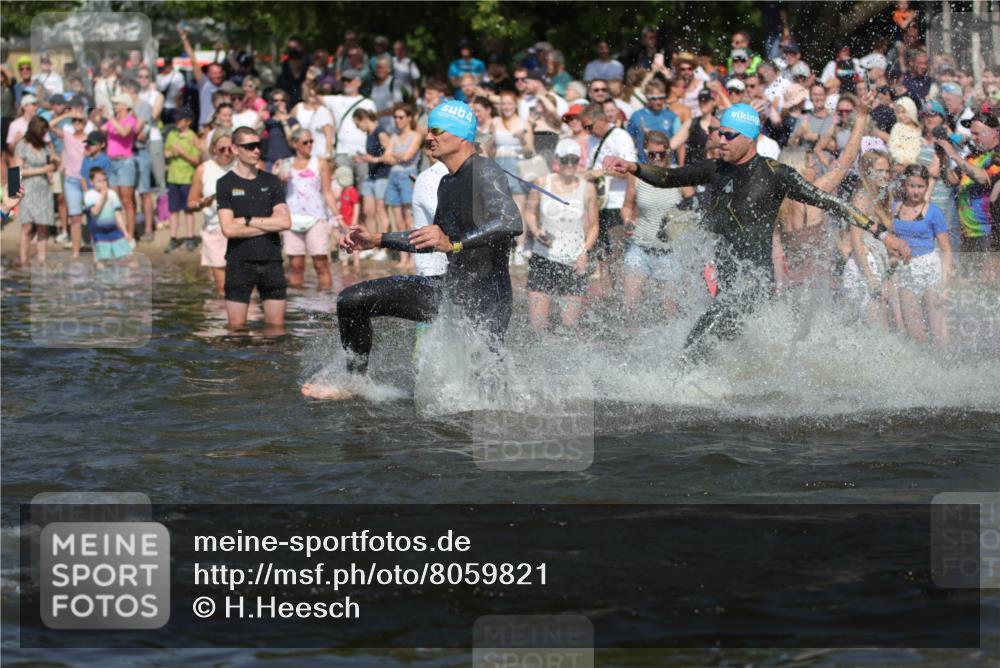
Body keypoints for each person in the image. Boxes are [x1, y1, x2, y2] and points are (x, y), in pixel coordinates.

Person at [603, 103, 911, 364]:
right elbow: (668, 177)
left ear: (749, 138)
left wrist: (885, 235)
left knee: (696, 346)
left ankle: (683, 389)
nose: (720, 140)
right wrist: (631, 166)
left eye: (728, 135)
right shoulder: (714, 169)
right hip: (727, 284)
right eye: (718, 133)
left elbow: (832, 202)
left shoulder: (775, 174)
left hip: (753, 283)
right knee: (717, 345)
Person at [302, 101, 522, 399]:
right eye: (428, 131)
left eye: (436, 131)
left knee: (486, 393)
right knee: (352, 300)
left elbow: (510, 221)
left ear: (460, 137)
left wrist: (454, 243)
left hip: (487, 298)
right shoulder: (446, 182)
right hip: (450, 290)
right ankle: (356, 382)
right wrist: (378, 239)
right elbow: (429, 238)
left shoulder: (485, 171)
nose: (428, 137)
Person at [216, 126, 292, 332]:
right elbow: (229, 229)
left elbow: (285, 222)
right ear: (235, 149)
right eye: (250, 146)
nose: (256, 151)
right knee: (236, 330)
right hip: (239, 263)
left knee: (276, 331)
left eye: (259, 146)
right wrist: (268, 223)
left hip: (272, 261)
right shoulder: (225, 183)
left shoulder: (271, 181)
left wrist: (247, 220)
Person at [621, 131, 699, 318]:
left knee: (668, 311)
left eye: (661, 154)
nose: (656, 158)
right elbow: (627, 206)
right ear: (645, 153)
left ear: (669, 153)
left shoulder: (678, 176)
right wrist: (627, 221)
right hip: (640, 246)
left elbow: (695, 209)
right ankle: (633, 341)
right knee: (631, 305)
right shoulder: (637, 176)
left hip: (669, 251)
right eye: (651, 154)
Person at [523, 138, 598, 330]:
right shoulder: (542, 183)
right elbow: (529, 211)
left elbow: (594, 226)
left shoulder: (587, 188)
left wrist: (585, 252)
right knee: (538, 326)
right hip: (543, 258)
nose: (570, 165)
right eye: (566, 160)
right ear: (557, 159)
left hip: (574, 262)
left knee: (569, 327)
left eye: (575, 160)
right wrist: (535, 230)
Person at [891, 164, 953, 344]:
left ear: (926, 187)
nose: (916, 191)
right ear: (904, 185)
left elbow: (947, 249)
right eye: (912, 186)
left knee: (939, 334)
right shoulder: (894, 208)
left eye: (920, 187)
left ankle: (944, 368)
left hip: (928, 269)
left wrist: (945, 283)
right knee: (915, 334)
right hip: (905, 271)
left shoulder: (934, 213)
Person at [582, 104, 637, 301]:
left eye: (589, 126)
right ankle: (610, 294)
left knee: (617, 253)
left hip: (616, 203)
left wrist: (602, 173)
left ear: (600, 120)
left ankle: (624, 295)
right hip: (599, 203)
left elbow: (631, 171)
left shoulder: (620, 137)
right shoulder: (591, 140)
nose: (587, 131)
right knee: (603, 254)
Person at [273, 128, 337, 289]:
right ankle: (298, 306)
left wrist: (338, 216)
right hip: (292, 219)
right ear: (295, 144)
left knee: (321, 264)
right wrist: (277, 178)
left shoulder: (319, 162)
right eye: (305, 142)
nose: (309, 145)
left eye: (311, 141)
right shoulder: (286, 164)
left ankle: (325, 303)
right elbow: (277, 192)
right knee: (295, 267)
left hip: (316, 217)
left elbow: (327, 192)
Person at [842, 150, 896, 328]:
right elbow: (856, 239)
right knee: (868, 325)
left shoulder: (884, 195)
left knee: (879, 323)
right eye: (879, 170)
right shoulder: (861, 197)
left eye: (887, 171)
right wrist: (869, 276)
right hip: (863, 265)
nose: (885, 175)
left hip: (877, 261)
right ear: (867, 171)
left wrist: (887, 275)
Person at [188, 128, 236, 296]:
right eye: (222, 149)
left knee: (245, 286)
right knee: (223, 288)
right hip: (215, 229)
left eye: (230, 148)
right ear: (213, 149)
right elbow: (191, 203)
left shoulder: (242, 166)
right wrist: (201, 203)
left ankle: (247, 321)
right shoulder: (203, 169)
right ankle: (225, 321)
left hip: (240, 230)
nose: (227, 153)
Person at [12, 116, 57, 267]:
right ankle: (24, 259)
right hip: (28, 190)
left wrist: (52, 167)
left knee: (42, 225)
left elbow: (51, 164)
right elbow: (15, 172)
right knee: (27, 226)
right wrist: (42, 169)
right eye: (43, 131)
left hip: (44, 189)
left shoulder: (45, 146)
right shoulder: (22, 145)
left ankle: (41, 259)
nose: (45, 134)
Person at [384, 103, 424, 269]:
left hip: (407, 175)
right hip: (393, 176)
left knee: (409, 220)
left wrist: (394, 155)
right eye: (395, 117)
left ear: (409, 118)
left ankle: (413, 258)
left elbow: (408, 156)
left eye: (400, 117)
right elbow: (387, 158)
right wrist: (396, 155)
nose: (397, 120)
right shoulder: (394, 136)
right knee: (398, 221)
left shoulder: (415, 135)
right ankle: (403, 258)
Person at [324, 69, 376, 188]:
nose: (346, 83)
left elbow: (373, 129)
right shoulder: (335, 99)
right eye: (343, 80)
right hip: (342, 152)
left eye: (349, 80)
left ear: (358, 82)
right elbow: (312, 98)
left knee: (364, 189)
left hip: (363, 152)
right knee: (343, 188)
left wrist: (371, 152)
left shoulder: (368, 103)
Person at [48, 107, 88, 257]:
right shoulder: (68, 136)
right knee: (75, 216)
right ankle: (76, 251)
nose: (77, 123)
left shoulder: (90, 137)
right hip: (71, 181)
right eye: (75, 121)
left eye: (80, 121)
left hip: (87, 181)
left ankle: (97, 248)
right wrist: (68, 114)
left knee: (92, 215)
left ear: (85, 123)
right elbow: (49, 125)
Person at [353, 108, 391, 254]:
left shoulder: (380, 131)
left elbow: (390, 155)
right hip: (371, 175)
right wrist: (363, 158)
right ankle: (371, 244)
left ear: (363, 118)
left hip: (383, 175)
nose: (358, 128)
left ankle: (384, 248)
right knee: (368, 211)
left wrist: (373, 159)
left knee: (381, 211)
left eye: (357, 124)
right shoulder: (368, 134)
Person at [163, 108, 201, 253]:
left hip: (187, 178)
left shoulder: (193, 137)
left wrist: (181, 152)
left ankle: (190, 237)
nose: (176, 122)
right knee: (173, 210)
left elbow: (196, 160)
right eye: (176, 119)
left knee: (189, 210)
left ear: (188, 122)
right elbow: (166, 153)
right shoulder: (172, 134)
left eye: (180, 120)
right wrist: (173, 151)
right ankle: (173, 238)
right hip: (173, 178)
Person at [84, 167, 133, 265]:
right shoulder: (89, 195)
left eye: (104, 180)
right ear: (91, 182)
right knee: (102, 261)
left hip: (114, 230)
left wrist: (125, 231)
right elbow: (94, 211)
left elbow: (118, 214)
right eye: (99, 181)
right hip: (99, 233)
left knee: (129, 257)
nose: (103, 183)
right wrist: (103, 195)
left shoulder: (112, 194)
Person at [179, 26, 225, 128]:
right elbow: (193, 60)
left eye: (219, 73)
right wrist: (184, 39)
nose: (217, 75)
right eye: (214, 73)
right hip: (205, 126)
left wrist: (218, 53)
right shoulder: (204, 83)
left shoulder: (225, 86)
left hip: (221, 126)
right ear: (208, 75)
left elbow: (216, 66)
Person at [292, 83, 334, 161]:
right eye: (310, 94)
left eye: (314, 95)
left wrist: (328, 153)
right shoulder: (298, 107)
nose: (312, 97)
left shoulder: (323, 111)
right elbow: (291, 123)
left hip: (320, 152)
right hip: (303, 151)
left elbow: (329, 136)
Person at [262, 89, 299, 170]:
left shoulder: (293, 121)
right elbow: (253, 133)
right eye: (276, 100)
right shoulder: (269, 121)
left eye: (283, 100)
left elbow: (293, 141)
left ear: (286, 102)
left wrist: (284, 121)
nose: (279, 103)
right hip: (271, 162)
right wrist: (259, 116)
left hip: (288, 161)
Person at [332, 165, 361, 270]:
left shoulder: (352, 190)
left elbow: (356, 205)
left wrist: (354, 220)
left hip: (350, 223)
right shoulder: (343, 190)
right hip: (343, 223)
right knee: (343, 242)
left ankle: (356, 263)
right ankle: (345, 264)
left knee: (354, 242)